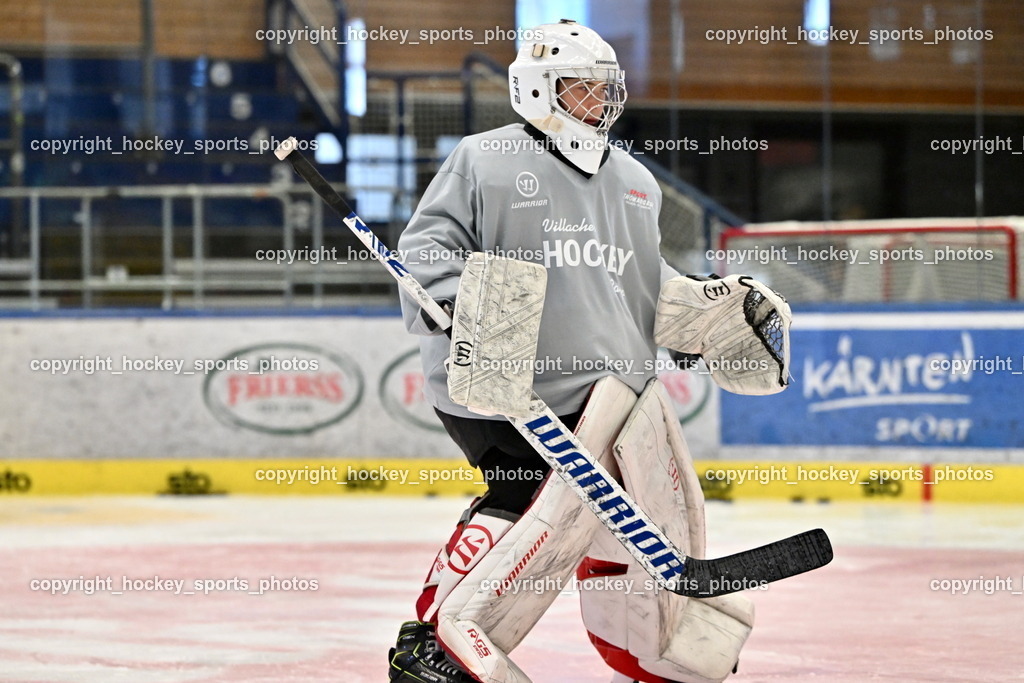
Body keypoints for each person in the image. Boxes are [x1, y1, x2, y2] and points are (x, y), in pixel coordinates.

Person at [388, 19, 708, 683]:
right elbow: (426, 251)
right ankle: (428, 638)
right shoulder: (484, 158)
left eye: (604, 88)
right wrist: (458, 301)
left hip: (600, 393)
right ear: (539, 90)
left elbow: (646, 283)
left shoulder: (633, 179)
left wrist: (699, 320)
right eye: (583, 88)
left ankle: (641, 645)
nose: (601, 102)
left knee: (623, 515)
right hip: (497, 378)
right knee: (524, 492)